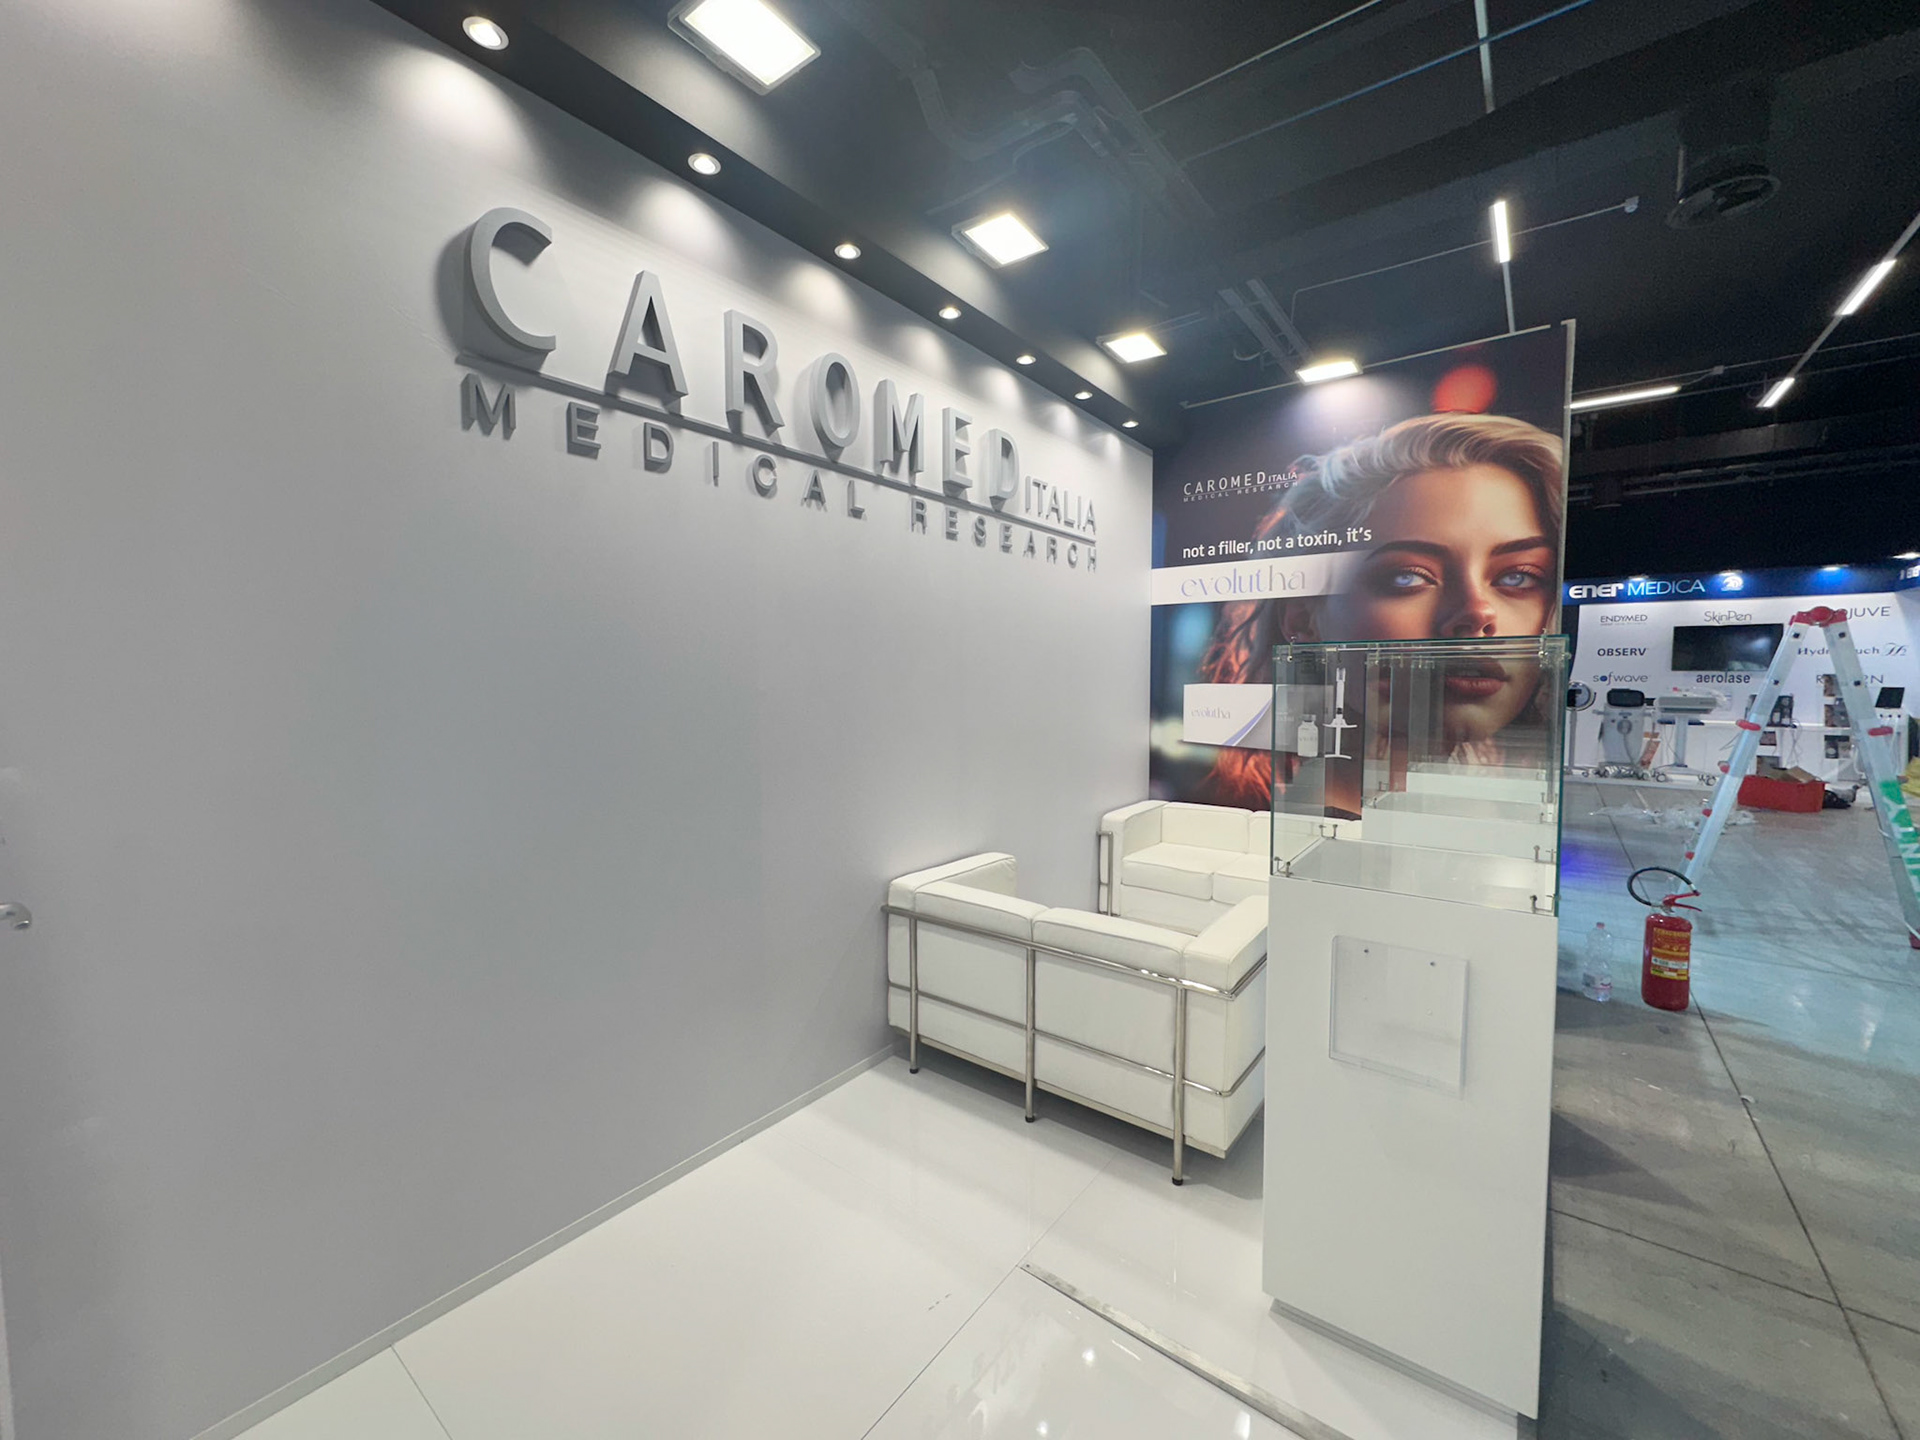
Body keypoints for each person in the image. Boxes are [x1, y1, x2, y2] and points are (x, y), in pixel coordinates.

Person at [1197, 412, 1564, 808]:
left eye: (1518, 577)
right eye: (1407, 577)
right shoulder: (1272, 811)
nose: (1477, 611)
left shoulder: (1507, 805)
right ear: (1303, 617)